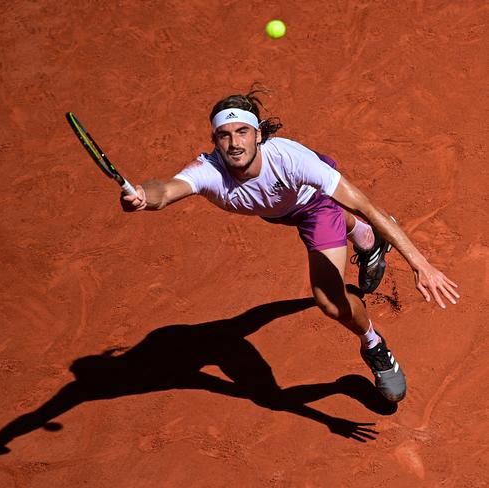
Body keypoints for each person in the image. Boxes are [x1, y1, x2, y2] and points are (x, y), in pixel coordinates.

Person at [120, 89, 460, 403]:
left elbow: (367, 205)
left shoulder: (291, 160)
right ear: (215, 141)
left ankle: (372, 343)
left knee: (328, 301)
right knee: (304, 221)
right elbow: (164, 190)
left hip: (315, 207)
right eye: (224, 135)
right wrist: (142, 195)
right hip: (279, 209)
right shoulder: (208, 171)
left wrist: (421, 265)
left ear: (257, 135)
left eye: (242, 132)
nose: (234, 143)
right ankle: (367, 240)